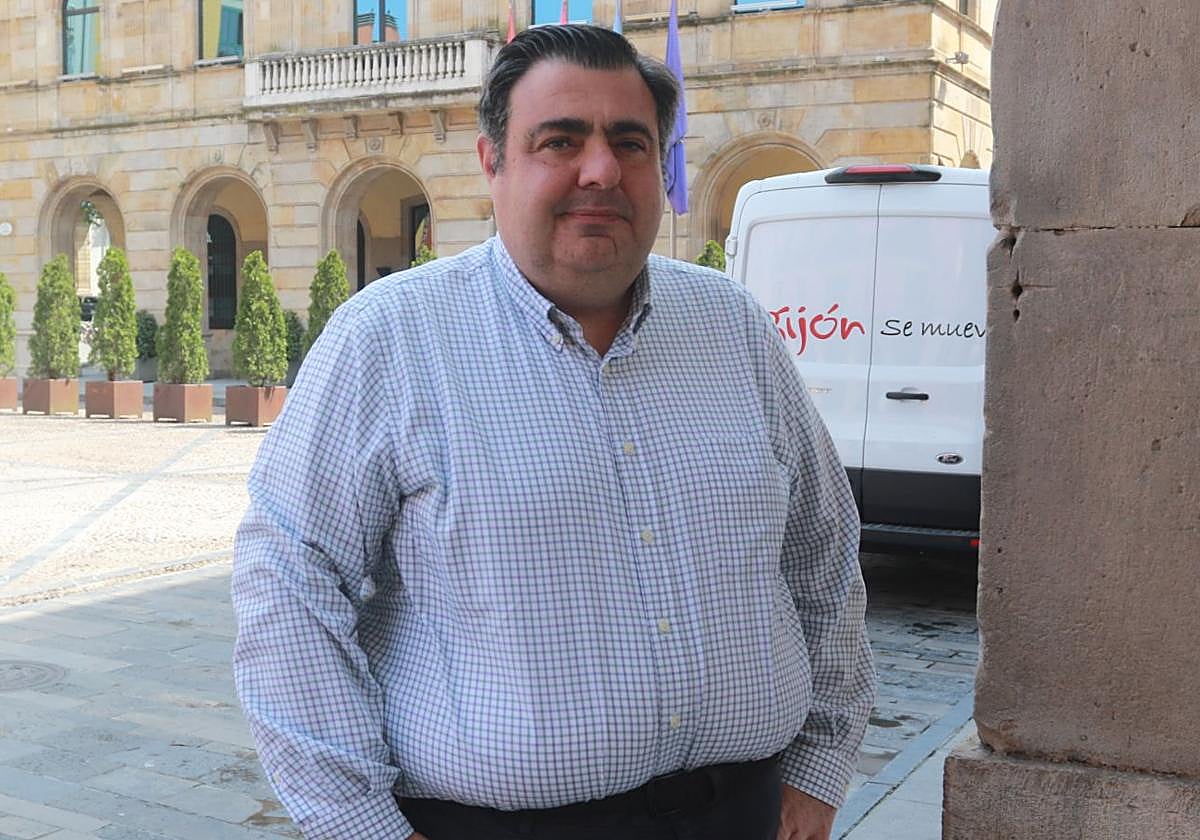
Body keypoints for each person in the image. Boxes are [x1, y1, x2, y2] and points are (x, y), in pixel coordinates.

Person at [232, 23, 873, 840]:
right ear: (492, 163)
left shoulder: (731, 326)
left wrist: (819, 767)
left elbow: (823, 550)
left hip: (743, 814)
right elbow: (287, 583)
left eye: (630, 143)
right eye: (560, 140)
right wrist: (359, 824)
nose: (600, 169)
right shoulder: (388, 339)